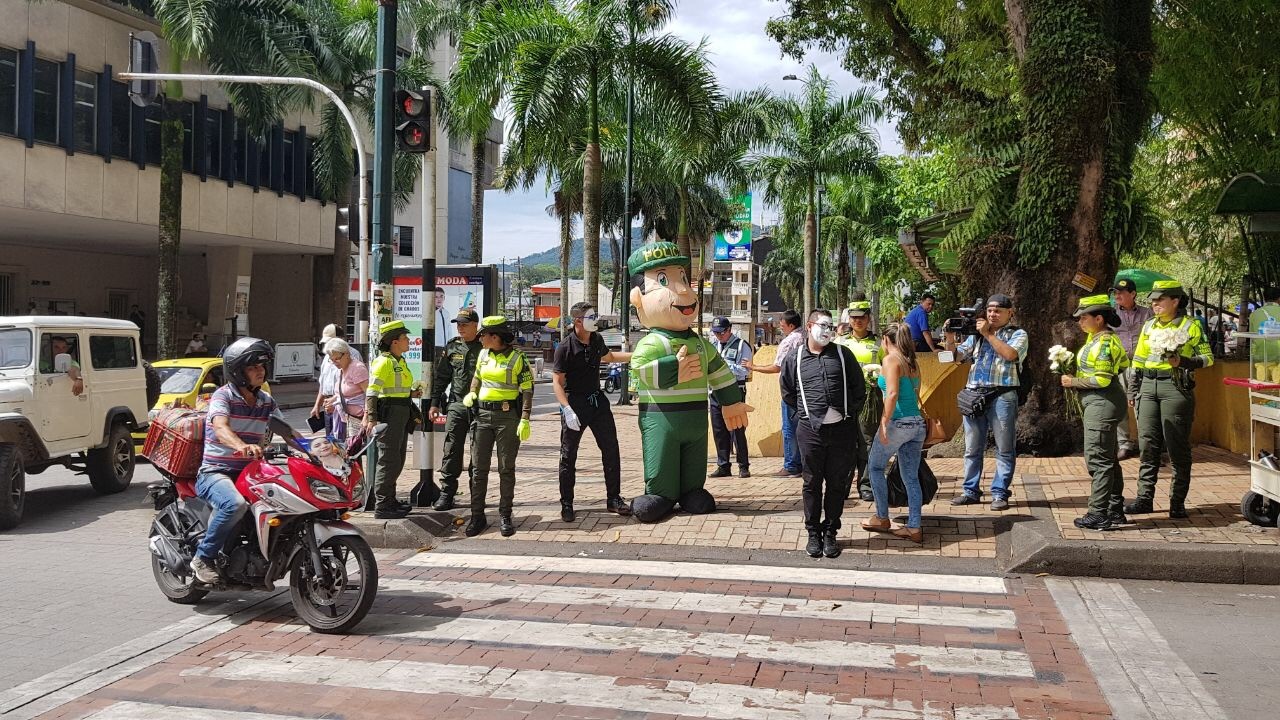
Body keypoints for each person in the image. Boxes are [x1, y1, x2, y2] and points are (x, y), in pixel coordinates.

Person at [626, 241, 748, 522]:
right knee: (661, 456)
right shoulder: (653, 342)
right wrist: (673, 370)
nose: (682, 290)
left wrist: (731, 402)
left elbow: (719, 371)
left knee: (695, 459)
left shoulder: (700, 343)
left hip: (695, 417)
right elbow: (639, 370)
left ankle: (692, 490)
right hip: (662, 418)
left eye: (682, 278)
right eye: (664, 281)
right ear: (638, 299)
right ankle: (661, 493)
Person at [190, 337, 297, 583]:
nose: (260, 371)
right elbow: (220, 427)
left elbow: (288, 432)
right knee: (235, 505)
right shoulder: (223, 396)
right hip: (216, 472)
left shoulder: (266, 401)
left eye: (262, 366)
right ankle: (203, 558)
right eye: (253, 367)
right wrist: (241, 446)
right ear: (238, 372)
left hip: (250, 473)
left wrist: (315, 449)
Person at [1125, 281, 1214, 519]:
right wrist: (1133, 390)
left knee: (1177, 446)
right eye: (1153, 300)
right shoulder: (1149, 325)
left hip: (1175, 386)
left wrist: (1182, 362)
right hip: (1147, 386)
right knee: (1147, 445)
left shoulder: (1191, 325)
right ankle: (1144, 499)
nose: (1154, 304)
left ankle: (1177, 501)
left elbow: (1208, 358)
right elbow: (1138, 360)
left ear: (1175, 301)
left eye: (1160, 300)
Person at [781, 309, 865, 558]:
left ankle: (830, 532)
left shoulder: (843, 355)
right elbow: (788, 392)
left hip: (841, 430)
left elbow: (858, 388)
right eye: (823, 326)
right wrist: (808, 414)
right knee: (812, 482)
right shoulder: (794, 358)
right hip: (810, 430)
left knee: (837, 483)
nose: (827, 331)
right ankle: (813, 533)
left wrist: (848, 414)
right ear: (809, 326)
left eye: (830, 327)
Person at [944, 293, 1028, 511]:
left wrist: (989, 335)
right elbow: (955, 357)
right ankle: (970, 491)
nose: (993, 314)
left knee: (1004, 448)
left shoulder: (1017, 334)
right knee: (972, 448)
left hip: (1002, 395)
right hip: (974, 394)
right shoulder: (976, 335)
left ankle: (1000, 493)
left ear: (1010, 313)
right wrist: (950, 338)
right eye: (990, 310)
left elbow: (1010, 355)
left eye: (998, 310)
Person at [553, 302, 633, 521]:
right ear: (578, 321)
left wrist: (637, 356)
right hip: (575, 403)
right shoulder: (565, 347)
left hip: (597, 401)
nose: (595, 320)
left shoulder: (597, 340)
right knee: (568, 455)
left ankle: (613, 498)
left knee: (611, 449)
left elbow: (610, 358)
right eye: (591, 317)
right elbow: (557, 383)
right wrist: (567, 409)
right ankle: (567, 504)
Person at [1061, 295, 1130, 530]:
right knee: (1108, 457)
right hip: (1100, 402)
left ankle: (1098, 513)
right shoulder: (1097, 339)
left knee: (1097, 458)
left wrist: (1073, 382)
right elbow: (1122, 365)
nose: (1080, 322)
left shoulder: (1105, 343)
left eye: (1084, 317)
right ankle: (1114, 508)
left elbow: (1102, 379)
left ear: (1099, 319)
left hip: (1102, 402)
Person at [462, 316, 534, 537]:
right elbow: (477, 377)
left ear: (495, 337)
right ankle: (477, 516)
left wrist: (525, 417)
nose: (480, 338)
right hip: (482, 416)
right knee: (478, 469)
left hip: (507, 417)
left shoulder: (518, 358)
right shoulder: (483, 354)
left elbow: (527, 389)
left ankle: (505, 515)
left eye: (483, 335)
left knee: (506, 468)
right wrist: (472, 392)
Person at [863, 322, 926, 543]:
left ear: (886, 340)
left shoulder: (891, 360)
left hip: (898, 422)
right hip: (917, 423)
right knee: (911, 477)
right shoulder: (912, 362)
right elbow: (914, 393)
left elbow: (891, 394)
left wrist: (883, 422)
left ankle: (882, 517)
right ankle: (914, 527)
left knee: (875, 467)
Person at [362, 320, 422, 520]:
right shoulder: (384, 362)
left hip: (401, 412)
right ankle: (382, 505)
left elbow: (396, 389)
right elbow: (372, 391)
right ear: (394, 342)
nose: (408, 341)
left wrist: (412, 393)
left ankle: (391, 500)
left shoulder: (400, 361)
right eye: (405, 338)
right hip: (390, 414)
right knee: (388, 460)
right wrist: (372, 418)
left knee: (398, 459)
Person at [428, 309, 483, 511]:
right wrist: (434, 403)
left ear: (475, 325)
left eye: (464, 324)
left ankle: (477, 496)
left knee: (478, 453)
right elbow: (442, 377)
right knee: (451, 450)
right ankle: (447, 493)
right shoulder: (452, 347)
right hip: (457, 405)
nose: (460, 328)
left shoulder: (485, 347)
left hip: (480, 407)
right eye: (458, 324)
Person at [745, 310, 804, 478]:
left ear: (791, 325)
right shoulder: (807, 338)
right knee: (803, 428)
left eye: (782, 324)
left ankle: (791, 466)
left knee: (789, 428)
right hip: (806, 389)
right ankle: (802, 463)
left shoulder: (789, 342)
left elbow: (777, 367)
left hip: (790, 390)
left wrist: (753, 367)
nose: (780, 326)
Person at [834, 298, 881, 501]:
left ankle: (866, 485)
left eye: (862, 317)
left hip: (870, 401)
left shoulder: (879, 344)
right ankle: (841, 485)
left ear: (869, 318)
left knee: (867, 443)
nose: (858, 321)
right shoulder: (839, 343)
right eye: (853, 318)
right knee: (844, 444)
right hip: (844, 399)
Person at [709, 316, 754, 479]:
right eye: (716, 333)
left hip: (734, 391)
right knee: (719, 430)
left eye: (721, 332)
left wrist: (726, 367)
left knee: (737, 429)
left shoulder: (742, 345)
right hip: (715, 392)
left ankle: (743, 466)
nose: (719, 336)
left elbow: (746, 370)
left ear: (729, 330)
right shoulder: (712, 346)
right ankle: (723, 465)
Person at [1111, 279, 1152, 459]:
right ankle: (1124, 445)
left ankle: (1147, 447)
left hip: (1141, 366)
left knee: (1143, 407)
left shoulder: (1147, 313)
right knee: (1120, 405)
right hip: (1119, 366)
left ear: (1133, 294)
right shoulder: (1111, 314)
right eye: (1115, 292)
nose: (1117, 295)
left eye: (1121, 292)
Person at [321, 338, 368, 441]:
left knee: (354, 448)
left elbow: (369, 394)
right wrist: (333, 400)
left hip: (358, 421)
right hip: (346, 419)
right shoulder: (341, 368)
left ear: (346, 354)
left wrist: (366, 417)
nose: (335, 363)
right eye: (332, 360)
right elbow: (344, 392)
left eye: (337, 359)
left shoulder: (357, 368)